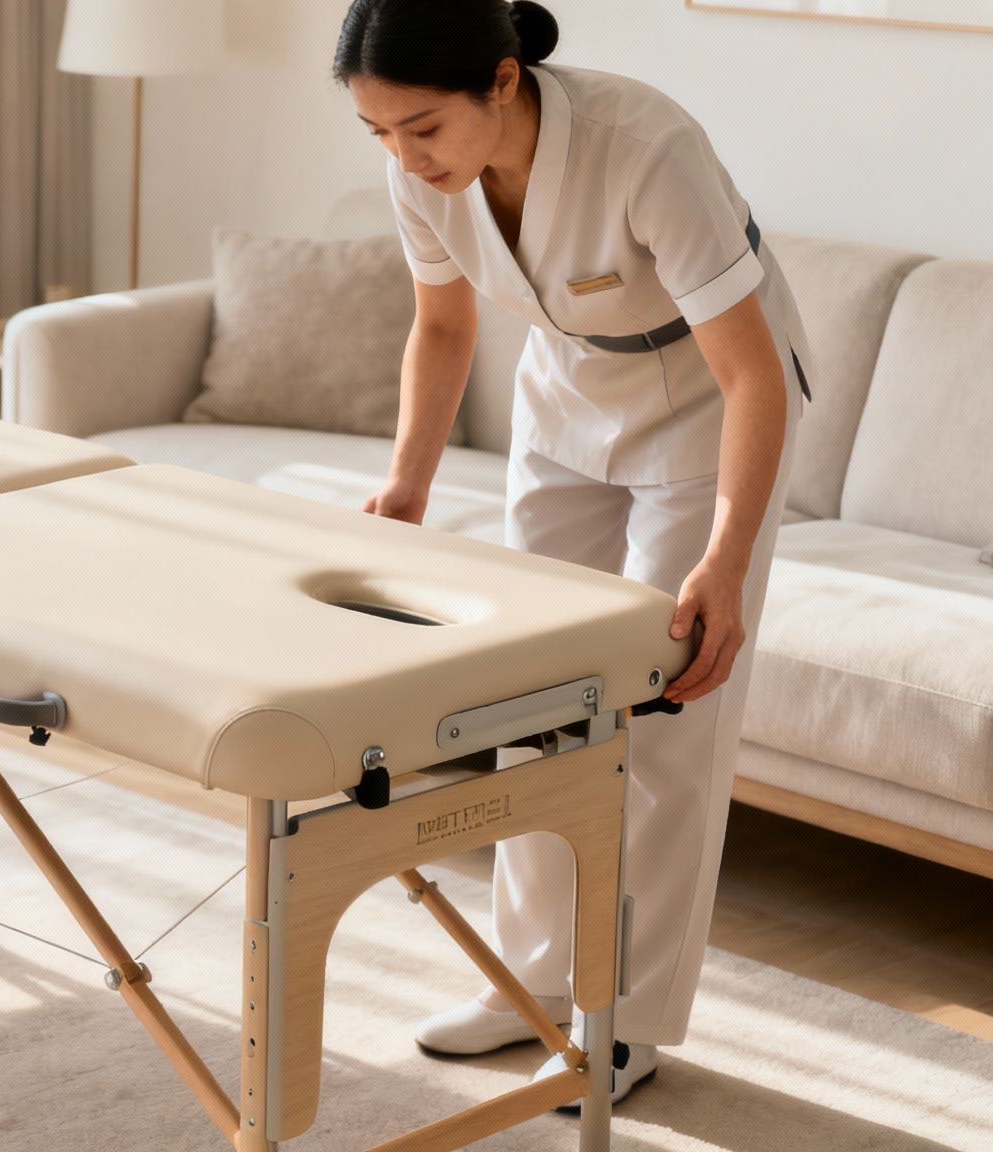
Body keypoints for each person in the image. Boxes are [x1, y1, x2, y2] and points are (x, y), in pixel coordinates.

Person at [338, 0, 811, 1104]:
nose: (404, 157)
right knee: (527, 702)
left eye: (420, 128)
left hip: (705, 417)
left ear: (500, 82)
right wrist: (406, 484)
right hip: (562, 407)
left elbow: (748, 373)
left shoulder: (643, 147)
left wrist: (726, 562)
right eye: (377, 135)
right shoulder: (422, 174)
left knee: (659, 723)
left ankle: (626, 1018)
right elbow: (444, 326)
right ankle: (525, 985)